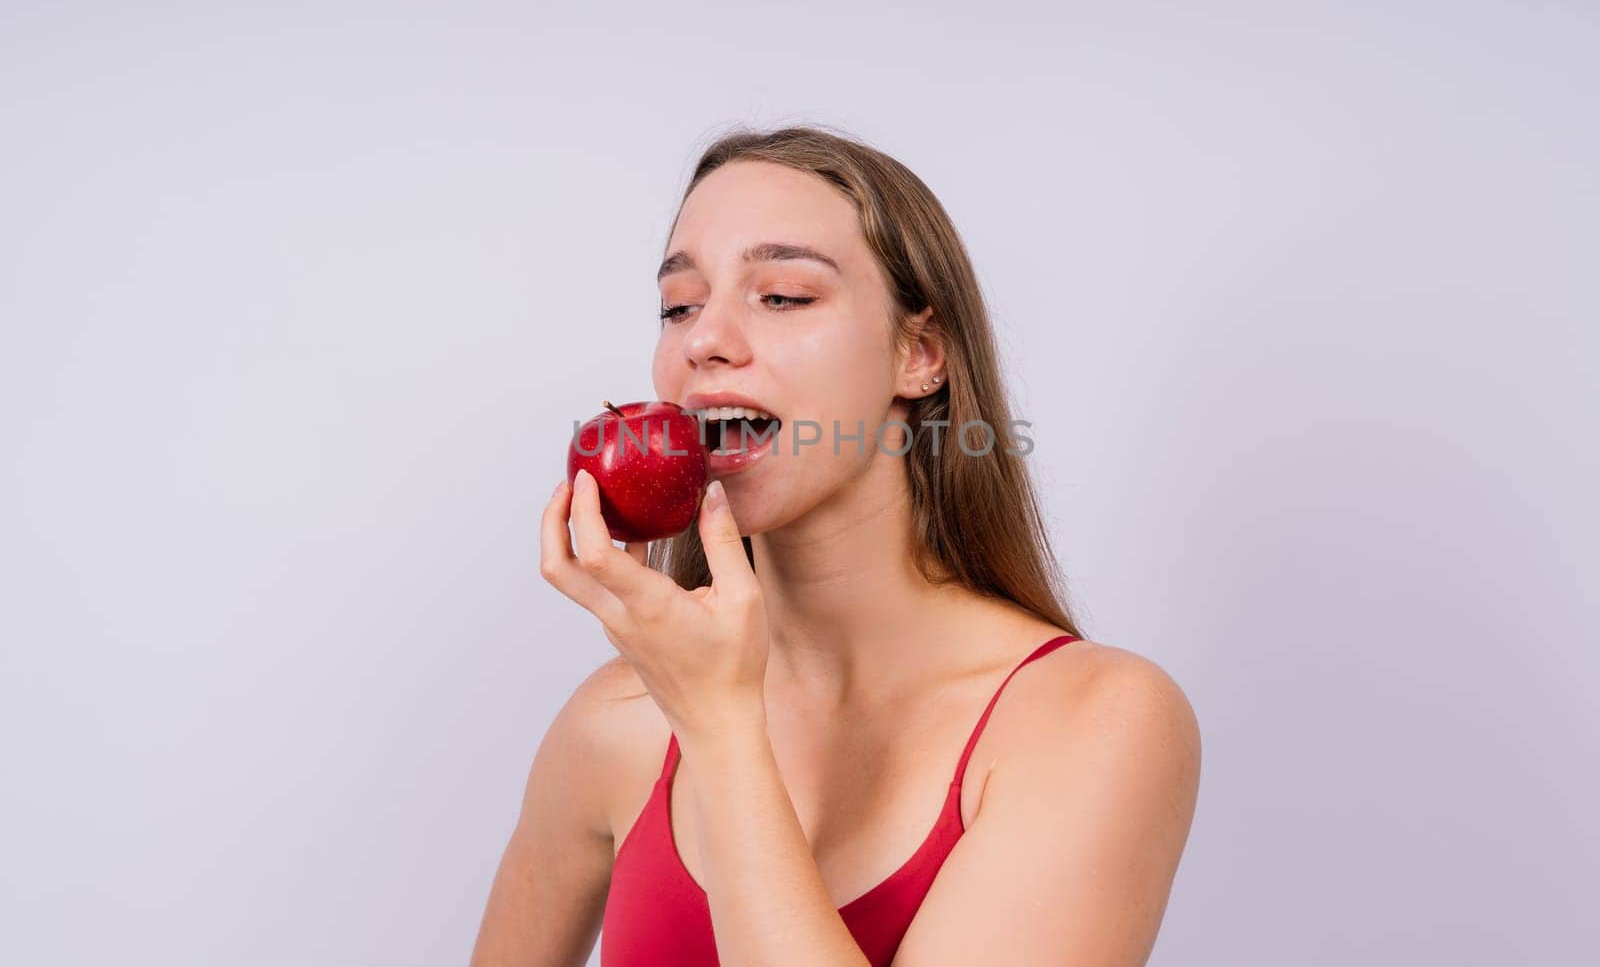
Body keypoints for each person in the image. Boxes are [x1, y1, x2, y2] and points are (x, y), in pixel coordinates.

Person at [469, 126, 1201, 966]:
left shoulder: (1097, 719)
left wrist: (719, 723)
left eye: (781, 296)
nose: (703, 338)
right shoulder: (618, 723)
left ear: (919, 354)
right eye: (679, 306)